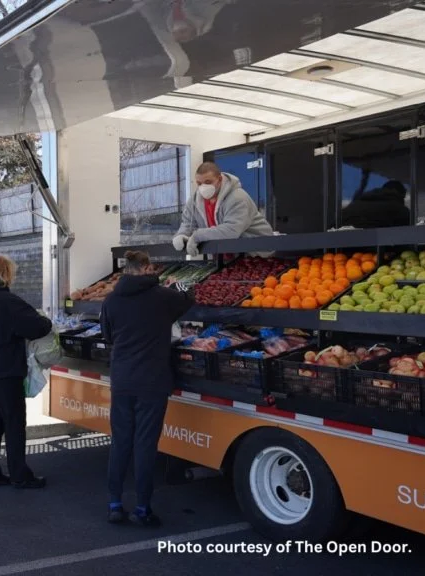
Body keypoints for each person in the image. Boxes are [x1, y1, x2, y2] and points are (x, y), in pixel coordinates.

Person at [100, 250, 194, 527]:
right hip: (153, 381)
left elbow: (108, 336)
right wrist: (179, 284)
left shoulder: (111, 300)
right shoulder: (163, 297)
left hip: (123, 380)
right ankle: (142, 508)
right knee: (145, 445)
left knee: (120, 442)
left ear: (126, 269)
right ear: (147, 267)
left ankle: (115, 504)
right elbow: (188, 299)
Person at [0, 254, 52, 489]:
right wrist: (47, 322)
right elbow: (37, 326)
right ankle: (19, 474)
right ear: (6, 275)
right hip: (5, 368)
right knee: (14, 421)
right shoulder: (8, 301)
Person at [173, 162, 274, 257]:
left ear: (220, 179)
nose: (203, 187)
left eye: (208, 182)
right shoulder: (194, 201)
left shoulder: (238, 198)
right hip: (224, 258)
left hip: (256, 255)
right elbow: (188, 223)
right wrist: (181, 235)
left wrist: (198, 236)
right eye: (199, 183)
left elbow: (231, 230)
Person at [340, 180, 411, 229]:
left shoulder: (357, 204)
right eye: (403, 195)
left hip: (338, 245)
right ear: (397, 192)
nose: (403, 199)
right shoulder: (399, 209)